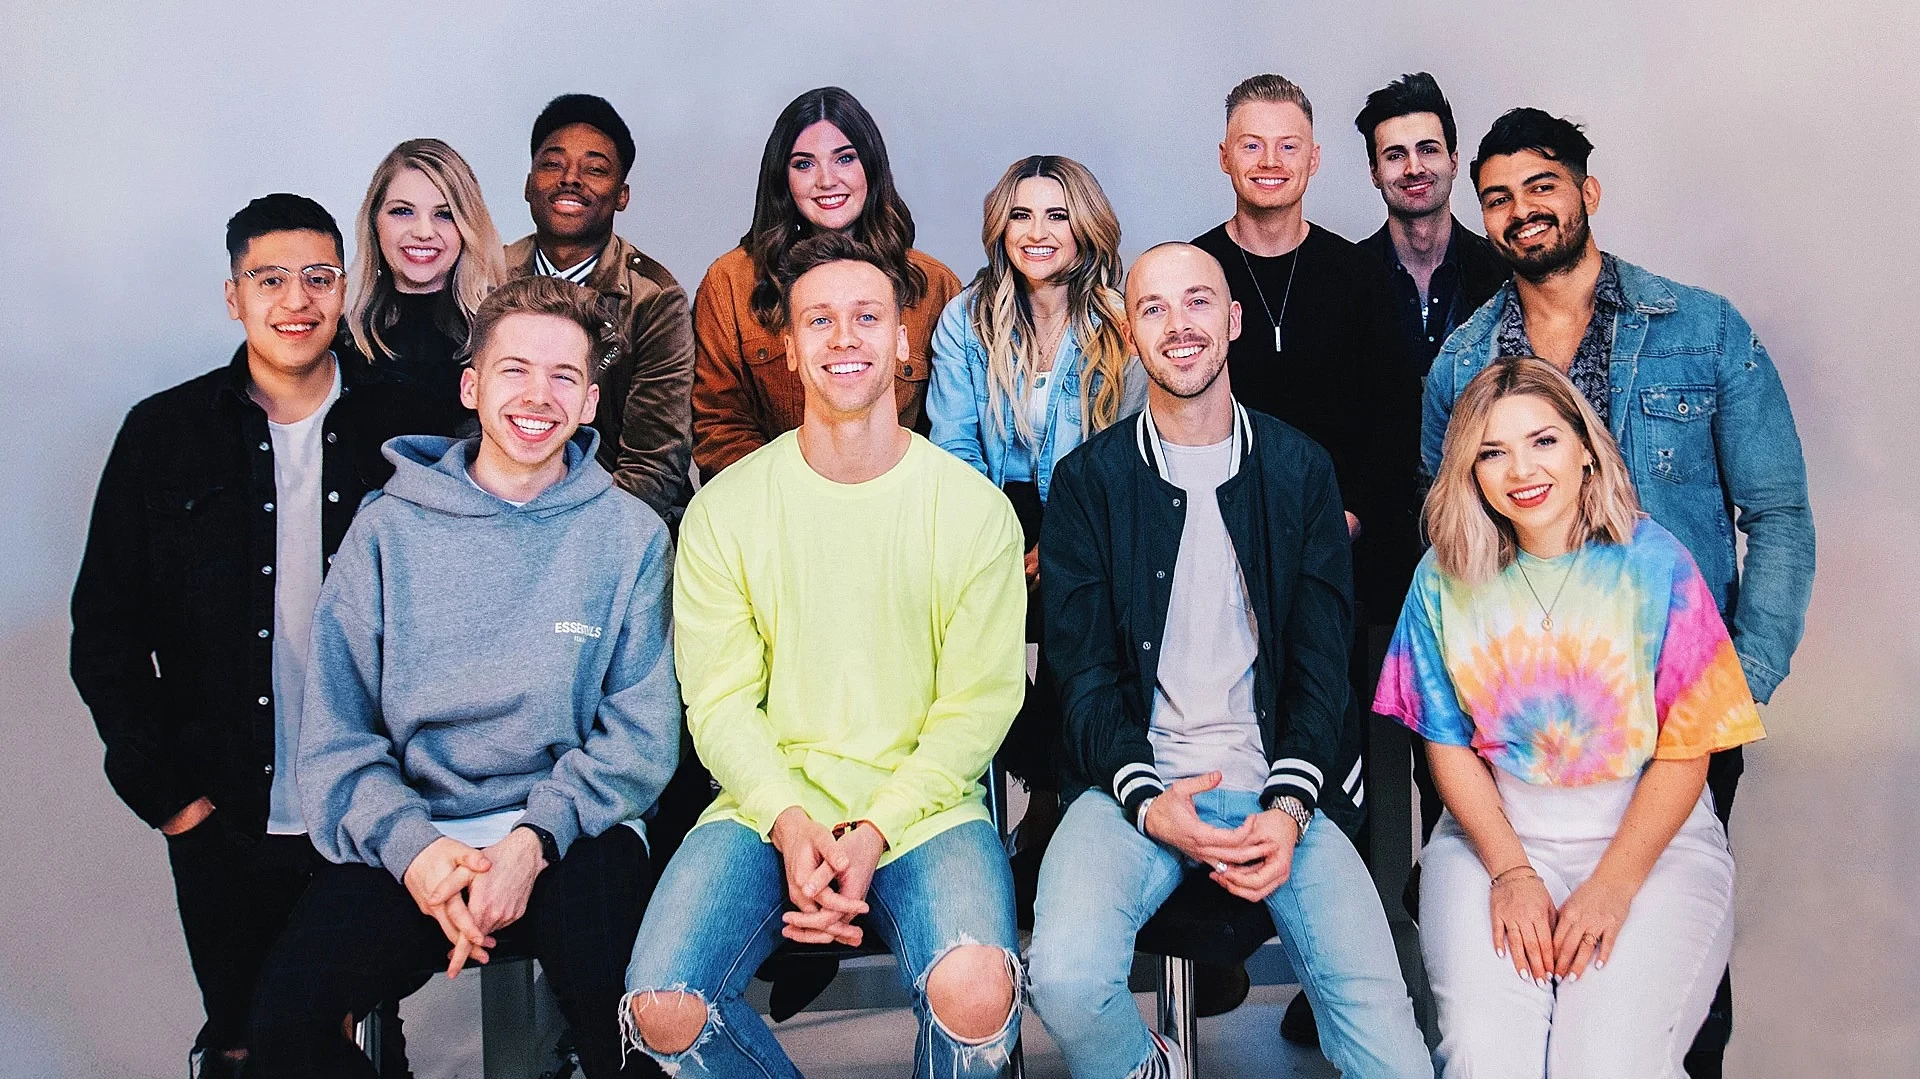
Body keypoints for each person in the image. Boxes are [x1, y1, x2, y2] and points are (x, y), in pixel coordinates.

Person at [1422, 108, 1815, 1076]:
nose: (1523, 210)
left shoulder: (1702, 330)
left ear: (1587, 192)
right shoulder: (1462, 362)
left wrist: (1739, 680)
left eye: (1542, 186)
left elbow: (1779, 514)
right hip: (1519, 733)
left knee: (1659, 999)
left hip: (1679, 709)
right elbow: (1451, 533)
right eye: (1498, 198)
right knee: (1515, 1003)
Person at [246, 276, 681, 1078]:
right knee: (285, 1032)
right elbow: (338, 736)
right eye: (515, 370)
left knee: (627, 1021)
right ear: (471, 387)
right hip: (420, 828)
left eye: (563, 376)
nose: (538, 396)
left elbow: (641, 735)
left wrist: (532, 841)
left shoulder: (629, 536)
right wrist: (416, 850)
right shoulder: (387, 530)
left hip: (572, 833)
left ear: (590, 402)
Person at [623, 233, 1026, 1078]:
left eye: (867, 317)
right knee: (663, 1007)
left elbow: (978, 707)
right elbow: (720, 703)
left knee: (977, 993)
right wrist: (791, 819)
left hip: (927, 810)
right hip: (765, 807)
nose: (845, 337)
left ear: (904, 339)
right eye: (820, 320)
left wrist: (875, 828)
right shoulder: (726, 511)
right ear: (789, 347)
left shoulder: (973, 510)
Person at [1027, 242, 1431, 1079]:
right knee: (1064, 980)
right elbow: (1082, 678)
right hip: (1129, 787)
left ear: (1235, 319)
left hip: (1281, 789)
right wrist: (1148, 801)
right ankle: (1150, 1068)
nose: (1179, 325)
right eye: (1154, 308)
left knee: (1394, 1058)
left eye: (1199, 302)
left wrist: (1287, 806)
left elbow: (1323, 669)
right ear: (1130, 334)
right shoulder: (1088, 482)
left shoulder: (1300, 469)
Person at [69, 194, 450, 1078]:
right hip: (229, 815)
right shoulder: (164, 435)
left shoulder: (410, 425)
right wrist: (176, 803)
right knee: (246, 1043)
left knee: (324, 1028)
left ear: (344, 289)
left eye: (318, 277)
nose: (297, 300)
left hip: (378, 805)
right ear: (233, 295)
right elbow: (106, 634)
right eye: (269, 279)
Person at [1380, 355, 1765, 1077]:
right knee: (1487, 1057)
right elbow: (1445, 744)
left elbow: (1691, 746)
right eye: (1492, 452)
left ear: (1586, 447)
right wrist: (1510, 870)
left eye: (1543, 440)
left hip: (1653, 845)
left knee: (1605, 1060)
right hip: (1493, 840)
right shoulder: (1442, 577)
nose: (1521, 469)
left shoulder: (1657, 564)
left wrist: (1613, 885)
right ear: (1470, 471)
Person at [926, 154, 1146, 882]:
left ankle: (1062, 809)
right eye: (1021, 214)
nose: (1037, 231)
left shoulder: (1121, 320)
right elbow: (955, 449)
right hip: (992, 509)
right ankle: (993, 823)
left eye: (1057, 215)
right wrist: (998, 544)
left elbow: (1127, 451)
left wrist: (1061, 544)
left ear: (1086, 227)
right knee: (969, 623)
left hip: (1094, 512)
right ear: (1001, 227)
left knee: (1078, 611)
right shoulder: (966, 318)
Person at [1191, 73, 1422, 622]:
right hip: (1214, 547)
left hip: (1342, 552)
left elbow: (1396, 417)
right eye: (1252, 145)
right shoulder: (1195, 273)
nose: (1270, 161)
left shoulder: (1361, 276)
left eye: (1288, 146)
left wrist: (1349, 519)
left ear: (1313, 159)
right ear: (1225, 157)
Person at [691, 85, 962, 480]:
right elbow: (720, 425)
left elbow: (949, 432)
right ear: (782, 178)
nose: (826, 180)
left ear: (871, 166)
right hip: (772, 502)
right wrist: (798, 496)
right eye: (804, 164)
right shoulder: (730, 282)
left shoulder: (934, 285)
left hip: (899, 501)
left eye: (845, 158)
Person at [505, 92, 695, 523]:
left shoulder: (654, 298)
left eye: (594, 169)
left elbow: (653, 464)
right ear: (529, 185)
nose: (570, 179)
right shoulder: (485, 279)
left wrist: (573, 539)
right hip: (503, 514)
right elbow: (468, 430)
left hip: (613, 521)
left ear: (622, 195)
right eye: (553, 164)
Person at [1352, 72, 1508, 375]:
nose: (1414, 168)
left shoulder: (1505, 273)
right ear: (1374, 172)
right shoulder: (1347, 278)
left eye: (1428, 149)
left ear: (1453, 162)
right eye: (1395, 155)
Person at [346, 137, 508, 408]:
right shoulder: (339, 330)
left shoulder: (502, 331)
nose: (423, 232)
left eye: (444, 214)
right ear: (374, 221)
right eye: (402, 211)